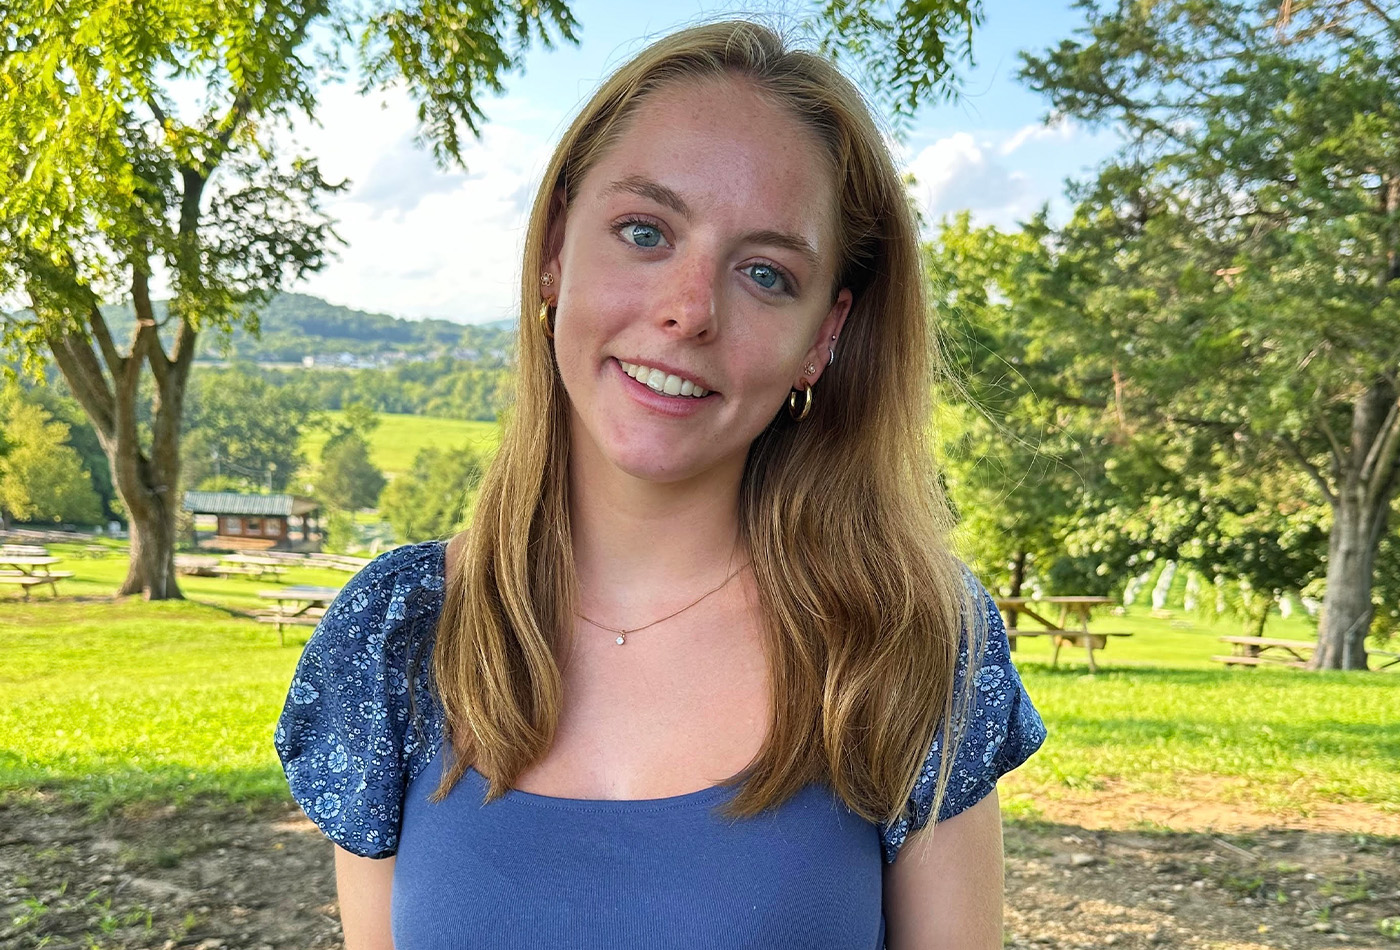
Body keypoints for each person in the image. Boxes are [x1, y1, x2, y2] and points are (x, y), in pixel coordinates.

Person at [275, 19, 1046, 950]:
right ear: (556, 245)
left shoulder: (909, 643)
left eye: (765, 273)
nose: (689, 309)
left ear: (824, 336)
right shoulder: (397, 640)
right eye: (645, 231)